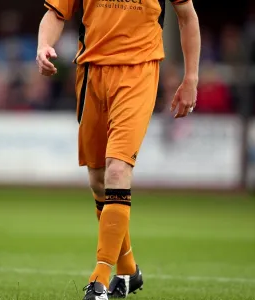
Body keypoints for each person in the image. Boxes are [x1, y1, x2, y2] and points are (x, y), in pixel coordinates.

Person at [36, 0, 200, 299]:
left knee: (117, 169)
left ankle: (99, 279)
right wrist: (44, 45)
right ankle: (128, 270)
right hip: (91, 74)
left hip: (139, 71)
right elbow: (55, 13)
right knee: (98, 180)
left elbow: (187, 16)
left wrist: (191, 78)